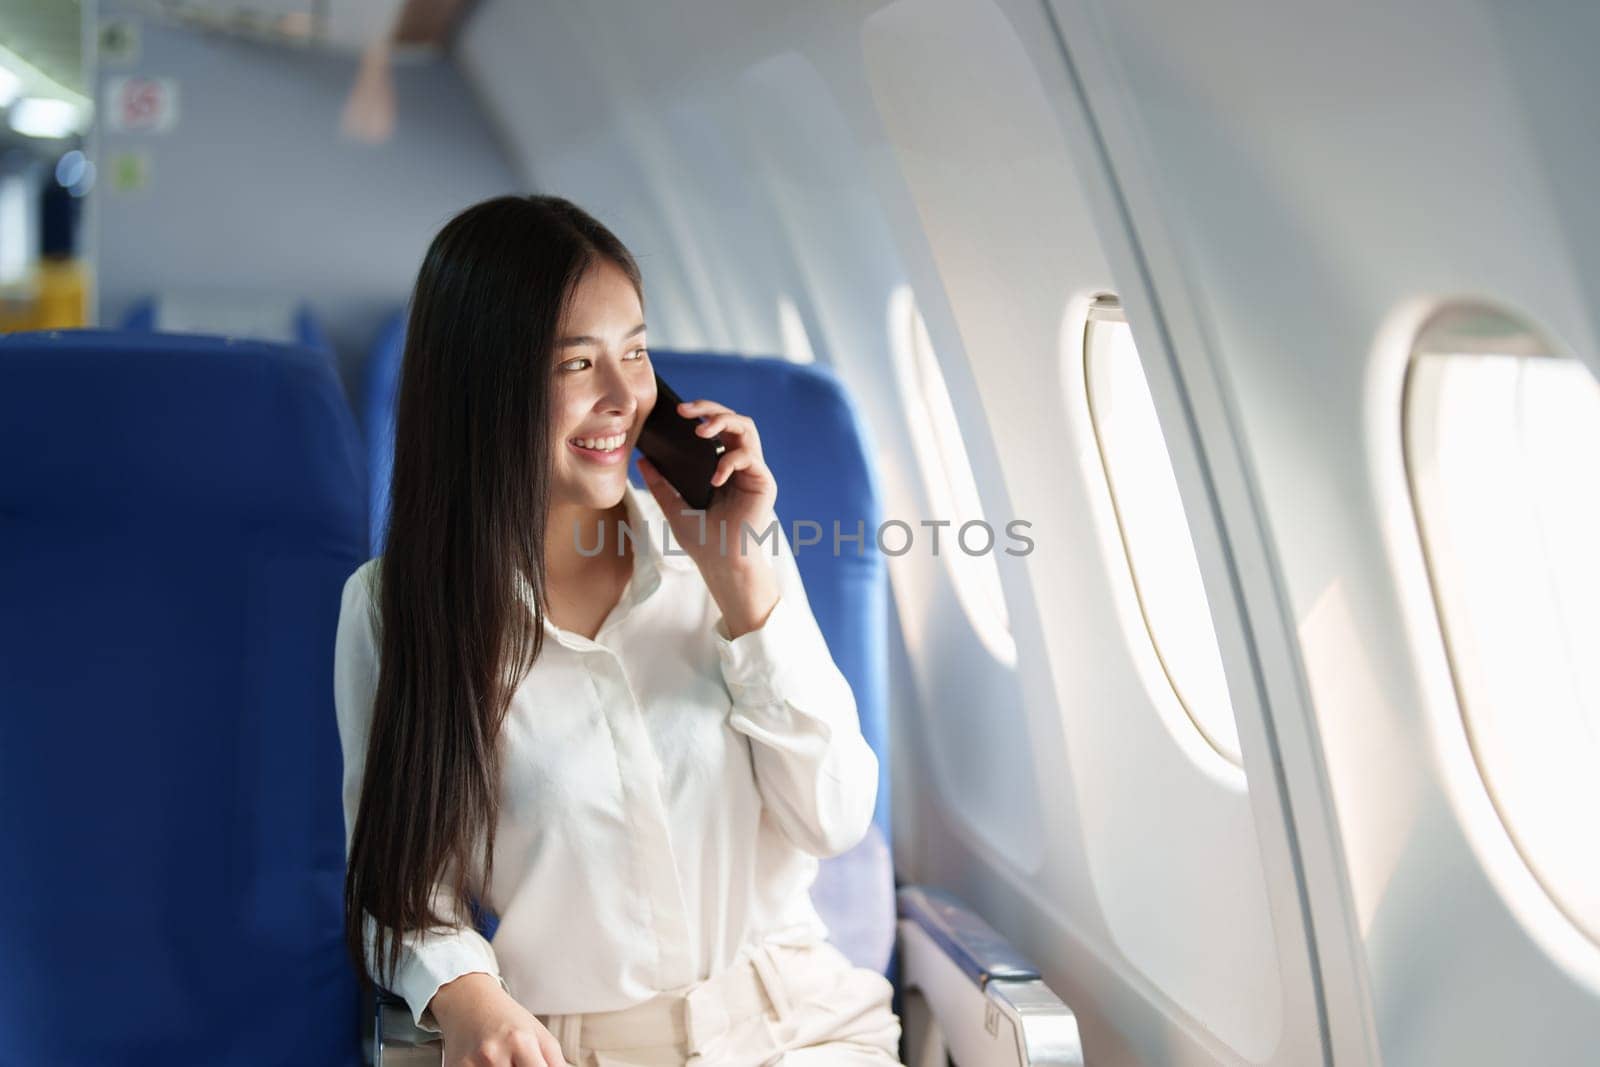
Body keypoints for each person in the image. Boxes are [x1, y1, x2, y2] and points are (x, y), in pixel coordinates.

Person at [334, 195, 901, 1067]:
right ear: (484, 385)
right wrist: (469, 998)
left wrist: (747, 590)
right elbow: (404, 886)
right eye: (576, 364)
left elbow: (834, 817)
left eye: (635, 352)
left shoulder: (726, 549)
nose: (623, 397)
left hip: (800, 1031)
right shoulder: (396, 610)